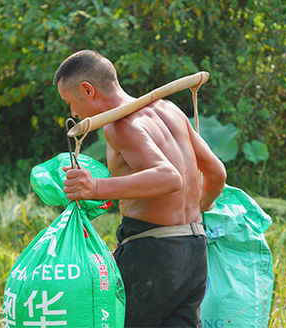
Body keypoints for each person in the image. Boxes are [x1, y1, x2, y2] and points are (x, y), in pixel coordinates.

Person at [56, 50, 226, 328]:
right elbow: (217, 173)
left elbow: (169, 178)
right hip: (194, 250)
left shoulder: (120, 126)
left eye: (71, 103)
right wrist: (202, 206)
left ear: (88, 90)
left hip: (153, 255)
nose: (73, 114)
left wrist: (94, 186)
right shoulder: (170, 110)